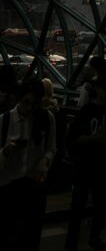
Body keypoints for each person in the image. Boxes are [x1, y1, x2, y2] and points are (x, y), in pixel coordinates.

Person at [65, 74, 106, 251]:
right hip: (86, 166)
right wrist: (95, 139)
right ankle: (74, 241)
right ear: (97, 90)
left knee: (99, 206)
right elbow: (73, 138)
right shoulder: (86, 111)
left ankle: (92, 237)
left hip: (102, 166)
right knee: (79, 206)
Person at [0, 77, 57, 250]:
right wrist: (6, 151)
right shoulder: (4, 121)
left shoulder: (47, 118)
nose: (30, 108)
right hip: (8, 189)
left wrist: (45, 162)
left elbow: (51, 148)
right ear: (19, 99)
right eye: (26, 102)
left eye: (35, 104)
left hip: (33, 188)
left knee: (31, 237)